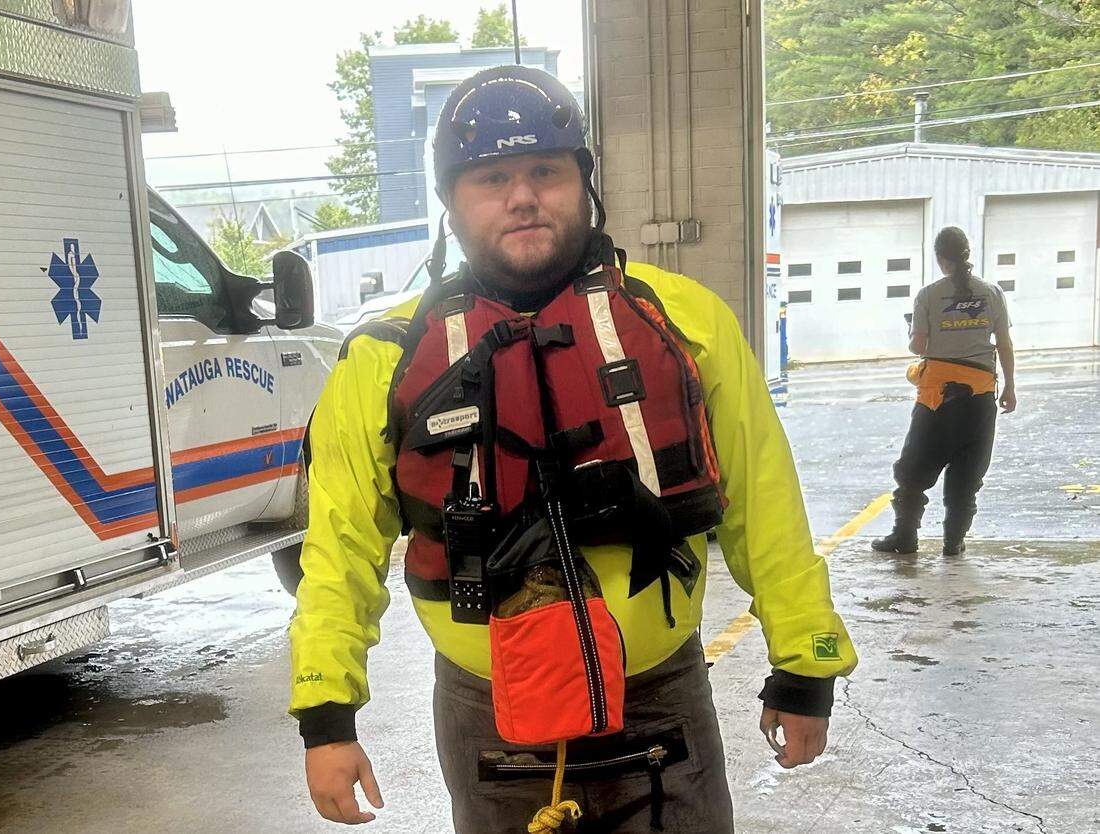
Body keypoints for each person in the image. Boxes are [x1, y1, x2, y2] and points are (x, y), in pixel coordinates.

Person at [289, 65, 856, 833]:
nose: (522, 197)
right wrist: (326, 715)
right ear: (451, 202)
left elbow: (765, 504)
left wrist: (805, 663)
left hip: (659, 705)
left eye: (545, 172)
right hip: (489, 718)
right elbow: (339, 549)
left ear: (584, 182)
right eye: (492, 179)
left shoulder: (688, 322)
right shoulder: (382, 358)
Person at [873, 226, 1016, 557]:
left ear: (940, 258)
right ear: (966, 254)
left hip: (936, 399)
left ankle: (905, 537)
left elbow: (918, 346)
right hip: (980, 396)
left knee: (914, 470)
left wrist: (912, 331)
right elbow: (1004, 344)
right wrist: (1010, 385)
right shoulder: (992, 293)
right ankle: (953, 543)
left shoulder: (928, 295)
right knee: (967, 474)